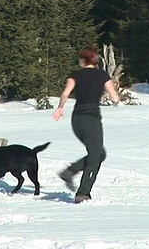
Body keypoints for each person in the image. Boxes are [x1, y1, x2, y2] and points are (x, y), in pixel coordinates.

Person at [53, 47, 120, 204]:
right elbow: (115, 97)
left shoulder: (75, 75)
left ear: (83, 60)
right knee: (96, 156)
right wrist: (115, 101)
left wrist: (60, 107)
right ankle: (82, 193)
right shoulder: (102, 75)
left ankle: (70, 172)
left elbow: (65, 93)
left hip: (77, 119)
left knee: (99, 154)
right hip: (92, 118)